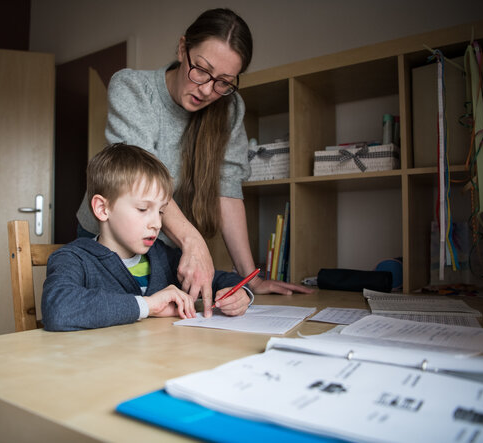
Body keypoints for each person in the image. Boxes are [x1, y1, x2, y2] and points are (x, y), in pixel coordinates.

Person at [75, 8, 311, 318]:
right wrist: (193, 241)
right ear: (182, 48)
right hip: (113, 239)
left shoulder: (229, 108)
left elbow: (227, 191)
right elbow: (139, 180)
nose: (206, 89)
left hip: (165, 251)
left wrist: (249, 277)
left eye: (224, 82)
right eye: (201, 69)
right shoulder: (133, 88)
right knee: (112, 320)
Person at [43, 144, 254, 331]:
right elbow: (58, 309)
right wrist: (148, 305)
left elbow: (218, 279)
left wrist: (240, 293)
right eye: (143, 208)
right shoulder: (73, 259)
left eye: (161, 211)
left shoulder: (163, 256)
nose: (157, 223)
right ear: (102, 208)